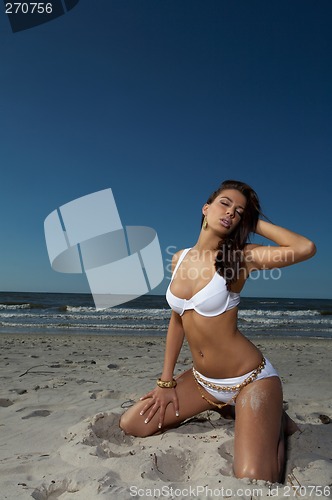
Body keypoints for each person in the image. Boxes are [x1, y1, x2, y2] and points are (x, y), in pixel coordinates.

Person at [119, 179, 316, 483]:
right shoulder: (179, 258)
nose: (231, 213)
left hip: (250, 381)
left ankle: (272, 418)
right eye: (225, 203)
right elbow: (177, 320)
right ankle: (235, 410)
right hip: (203, 383)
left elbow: (305, 248)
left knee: (253, 477)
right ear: (206, 207)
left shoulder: (240, 257)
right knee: (133, 424)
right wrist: (166, 381)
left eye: (239, 212)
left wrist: (255, 223)